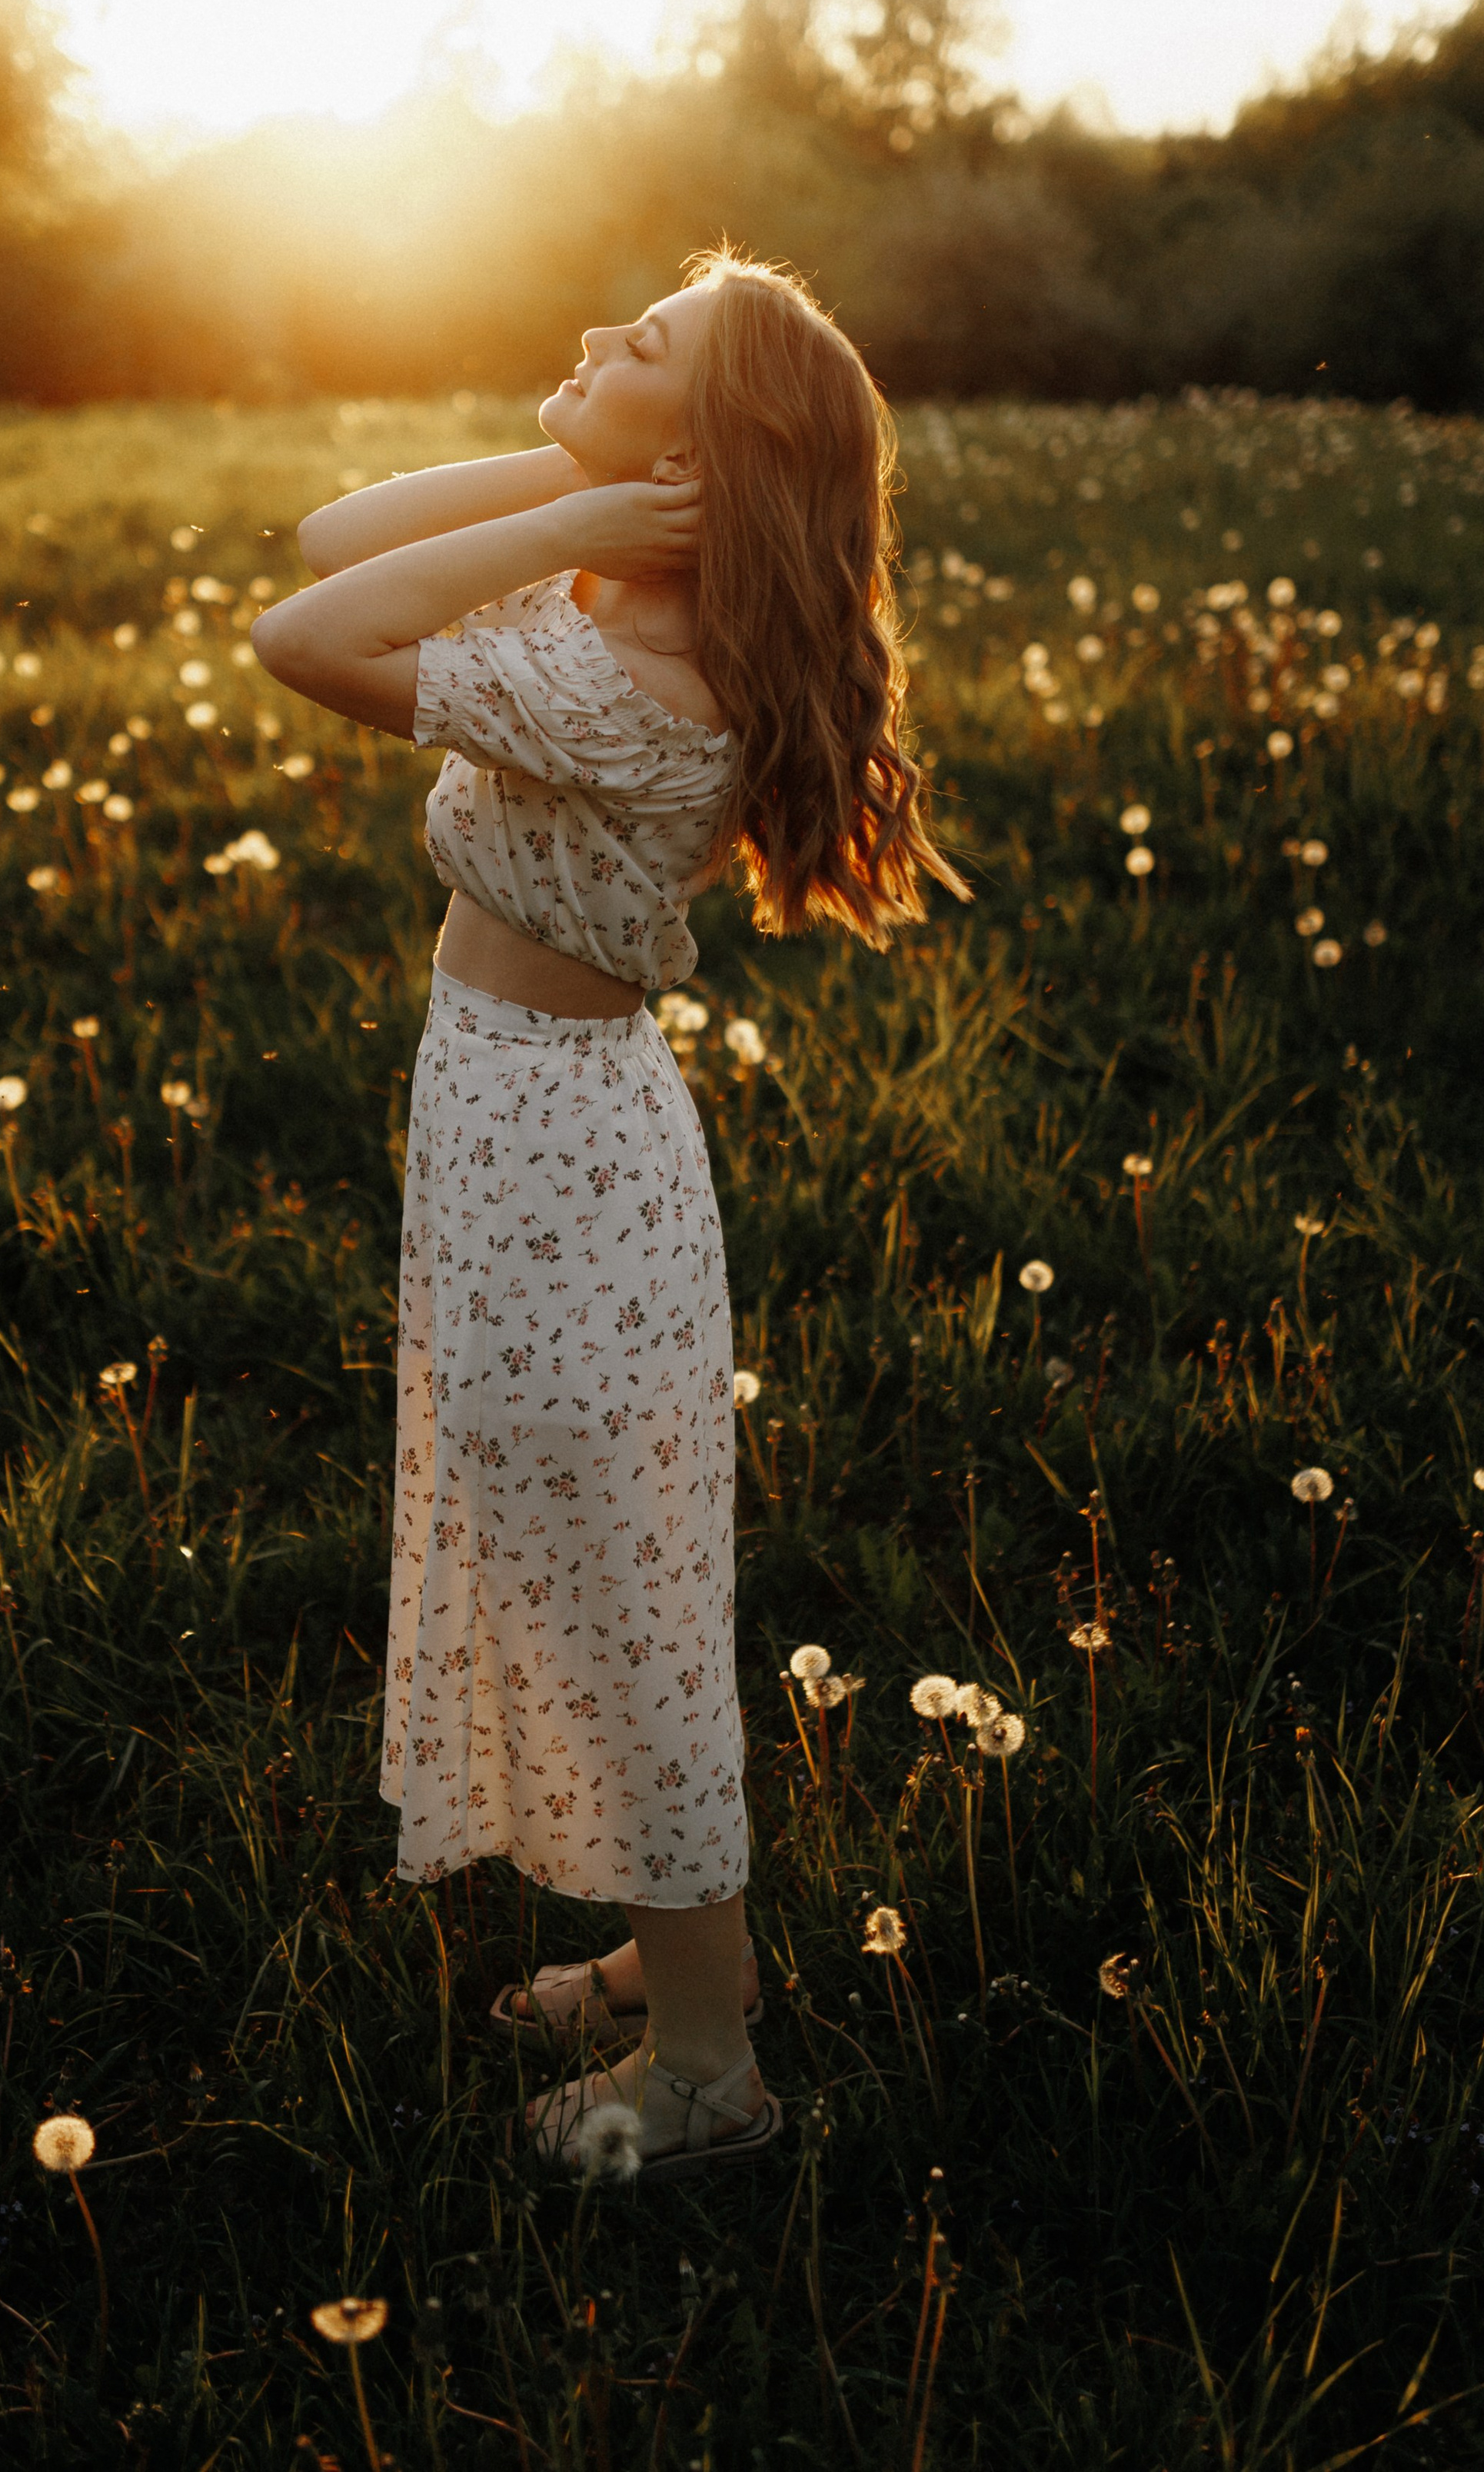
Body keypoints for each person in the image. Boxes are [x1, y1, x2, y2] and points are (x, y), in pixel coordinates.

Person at [251, 248, 963, 2180]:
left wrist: (580, 509)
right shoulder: (608, 608)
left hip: (555, 1168)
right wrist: (589, 486)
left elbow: (301, 629)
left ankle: (709, 2069)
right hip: (532, 1135)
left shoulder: (618, 672)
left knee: (605, 1595)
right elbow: (337, 532)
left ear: (703, 460)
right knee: (596, 1568)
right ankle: (673, 1961)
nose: (586, 337)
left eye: (640, 345)